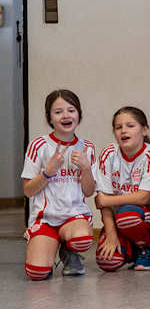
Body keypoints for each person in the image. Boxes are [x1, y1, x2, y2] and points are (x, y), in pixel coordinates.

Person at [22, 90, 96, 280]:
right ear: (49, 118)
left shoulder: (87, 147)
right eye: (58, 112)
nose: (65, 116)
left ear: (79, 114)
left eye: (71, 110)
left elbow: (89, 191)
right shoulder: (38, 145)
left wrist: (86, 169)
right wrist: (48, 172)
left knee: (82, 238)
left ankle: (69, 251)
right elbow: (28, 190)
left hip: (74, 217)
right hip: (45, 218)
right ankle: (49, 244)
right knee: (37, 273)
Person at [94, 107, 150, 273]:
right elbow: (103, 203)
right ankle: (132, 249)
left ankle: (146, 248)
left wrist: (107, 200)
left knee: (126, 215)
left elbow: (144, 198)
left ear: (144, 130)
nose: (123, 131)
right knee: (107, 262)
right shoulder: (108, 154)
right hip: (119, 218)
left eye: (130, 126)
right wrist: (111, 236)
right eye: (118, 127)